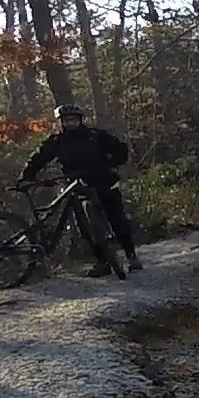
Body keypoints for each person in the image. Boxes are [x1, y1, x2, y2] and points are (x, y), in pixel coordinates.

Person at [16, 103, 142, 275]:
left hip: (104, 182)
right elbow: (38, 159)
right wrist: (25, 177)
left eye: (73, 120)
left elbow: (121, 150)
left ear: (80, 120)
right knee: (86, 226)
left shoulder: (96, 136)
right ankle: (102, 262)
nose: (70, 124)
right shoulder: (56, 142)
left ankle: (131, 256)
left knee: (118, 219)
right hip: (77, 187)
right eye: (66, 121)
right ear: (61, 122)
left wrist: (110, 163)